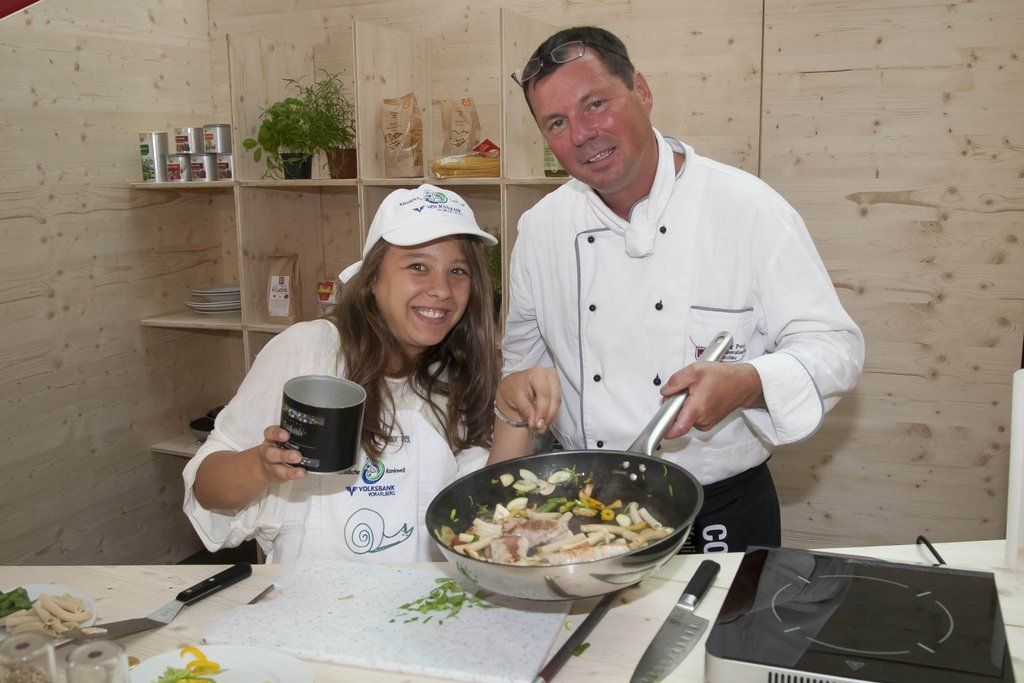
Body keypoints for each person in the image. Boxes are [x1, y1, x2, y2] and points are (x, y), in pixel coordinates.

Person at [490, 27, 865, 553]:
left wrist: (748, 382)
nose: (581, 134)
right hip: (584, 506)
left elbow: (834, 348)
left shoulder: (747, 208)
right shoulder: (541, 229)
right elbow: (523, 368)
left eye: (595, 104)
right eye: (557, 122)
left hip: (720, 505)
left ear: (641, 91)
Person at [184, 184, 499, 563]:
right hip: (308, 595)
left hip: (428, 596)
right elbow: (206, 489)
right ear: (372, 279)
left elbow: (486, 506)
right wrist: (261, 466)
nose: (442, 290)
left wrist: (513, 414)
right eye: (418, 266)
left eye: (458, 271)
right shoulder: (310, 350)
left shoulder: (461, 373)